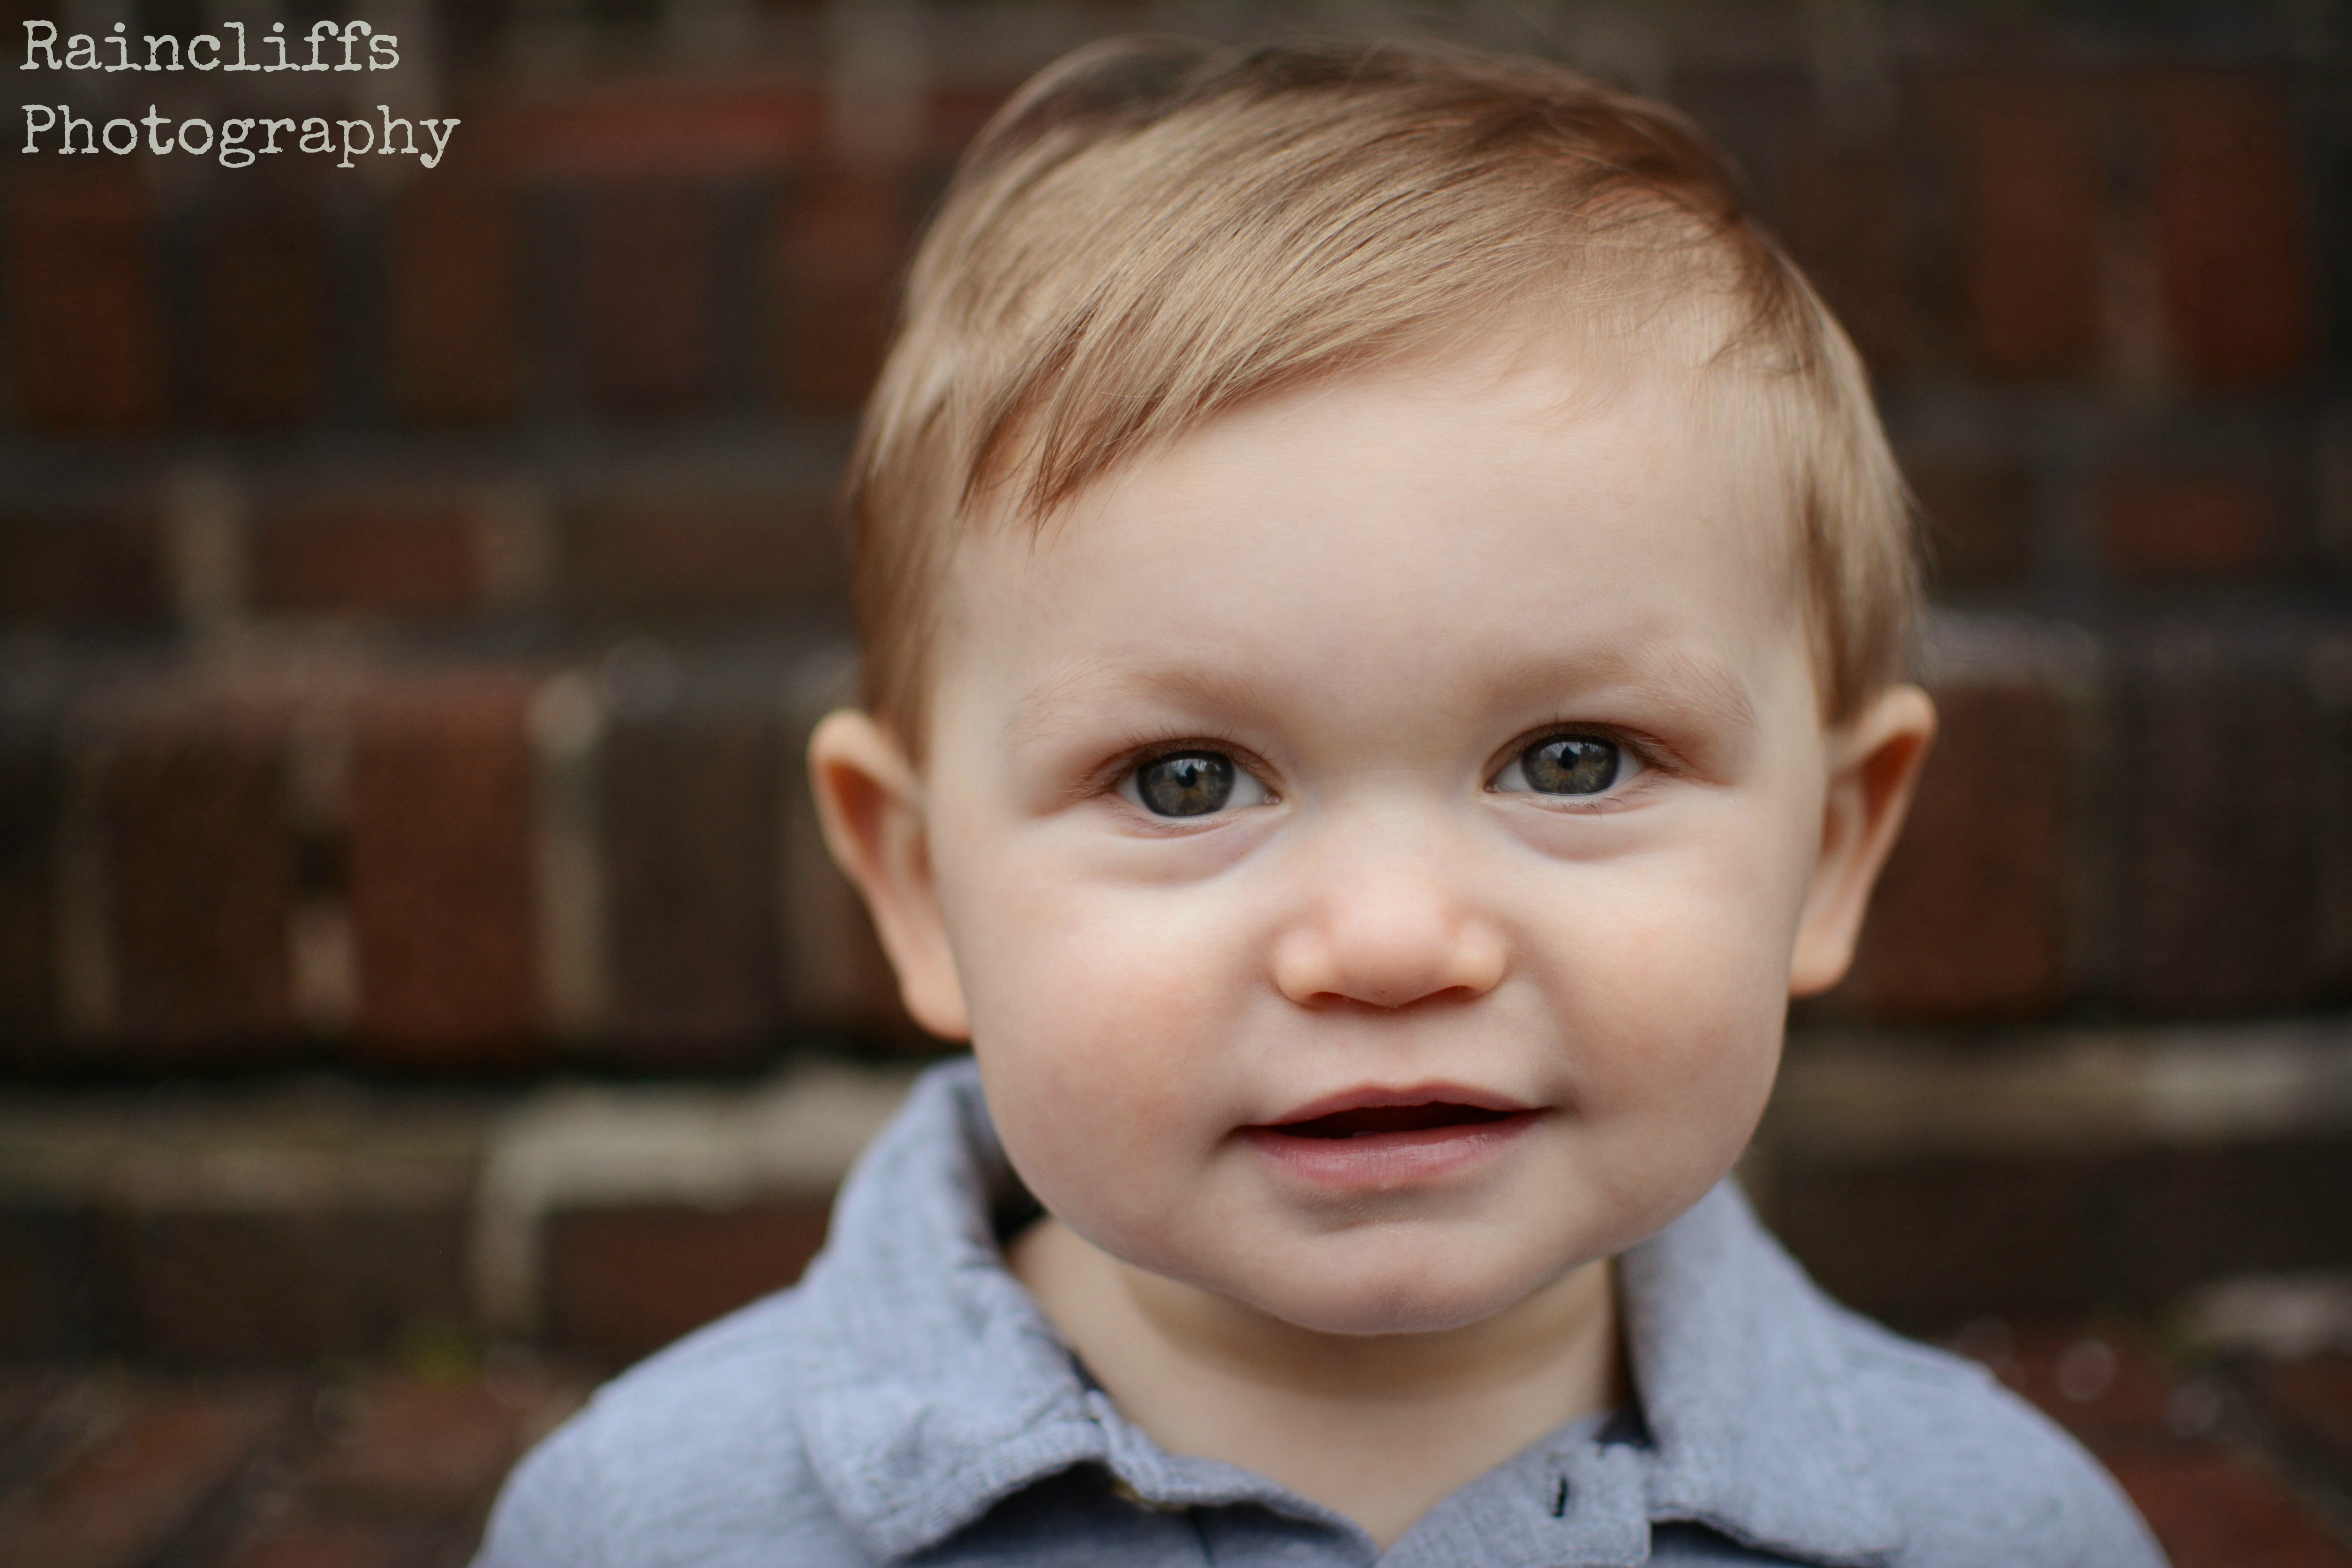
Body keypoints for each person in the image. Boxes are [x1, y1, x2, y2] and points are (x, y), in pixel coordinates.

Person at [474, 36, 2166, 1567]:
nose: (1389, 944)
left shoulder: (2003, 1533)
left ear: (1833, 849)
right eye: (1187, 781)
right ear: (918, 884)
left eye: (1572, 761)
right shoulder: (651, 1529)